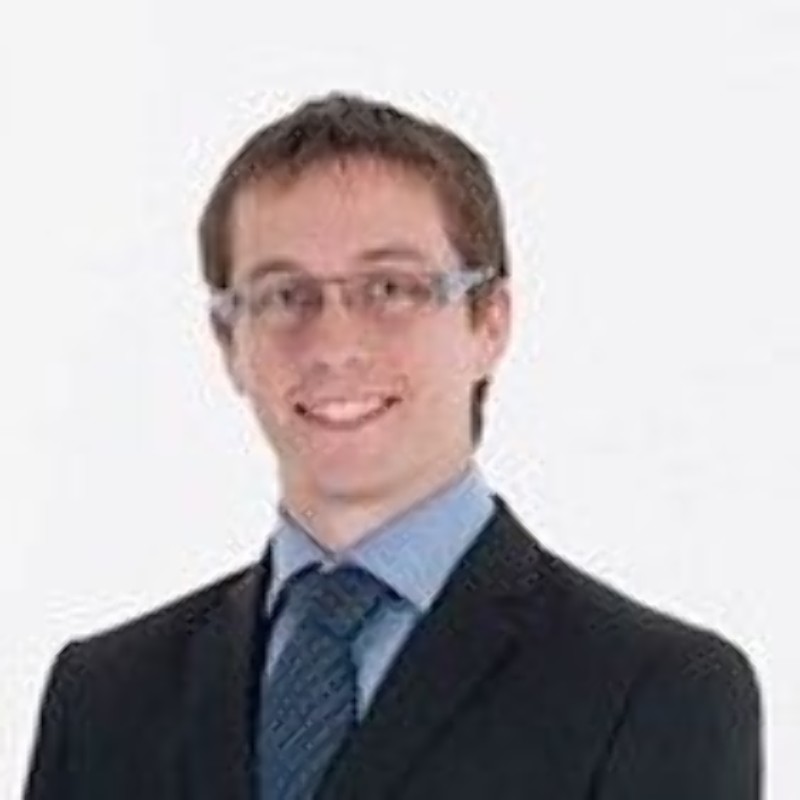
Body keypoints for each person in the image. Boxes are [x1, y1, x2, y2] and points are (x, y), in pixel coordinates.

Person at [23, 93, 761, 800]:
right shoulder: (104, 699)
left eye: (390, 289)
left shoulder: (653, 692)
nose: (333, 344)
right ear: (228, 343)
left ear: (490, 322)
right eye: (285, 295)